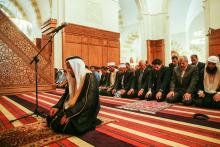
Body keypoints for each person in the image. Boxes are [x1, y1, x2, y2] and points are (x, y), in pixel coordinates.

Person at [47, 56, 100, 135]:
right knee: (51, 117)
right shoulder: (72, 76)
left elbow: (88, 101)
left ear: (77, 67)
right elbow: (66, 94)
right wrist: (57, 106)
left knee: (65, 126)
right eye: (67, 67)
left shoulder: (89, 77)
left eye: (70, 67)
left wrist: (70, 114)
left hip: (86, 108)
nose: (68, 70)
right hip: (74, 106)